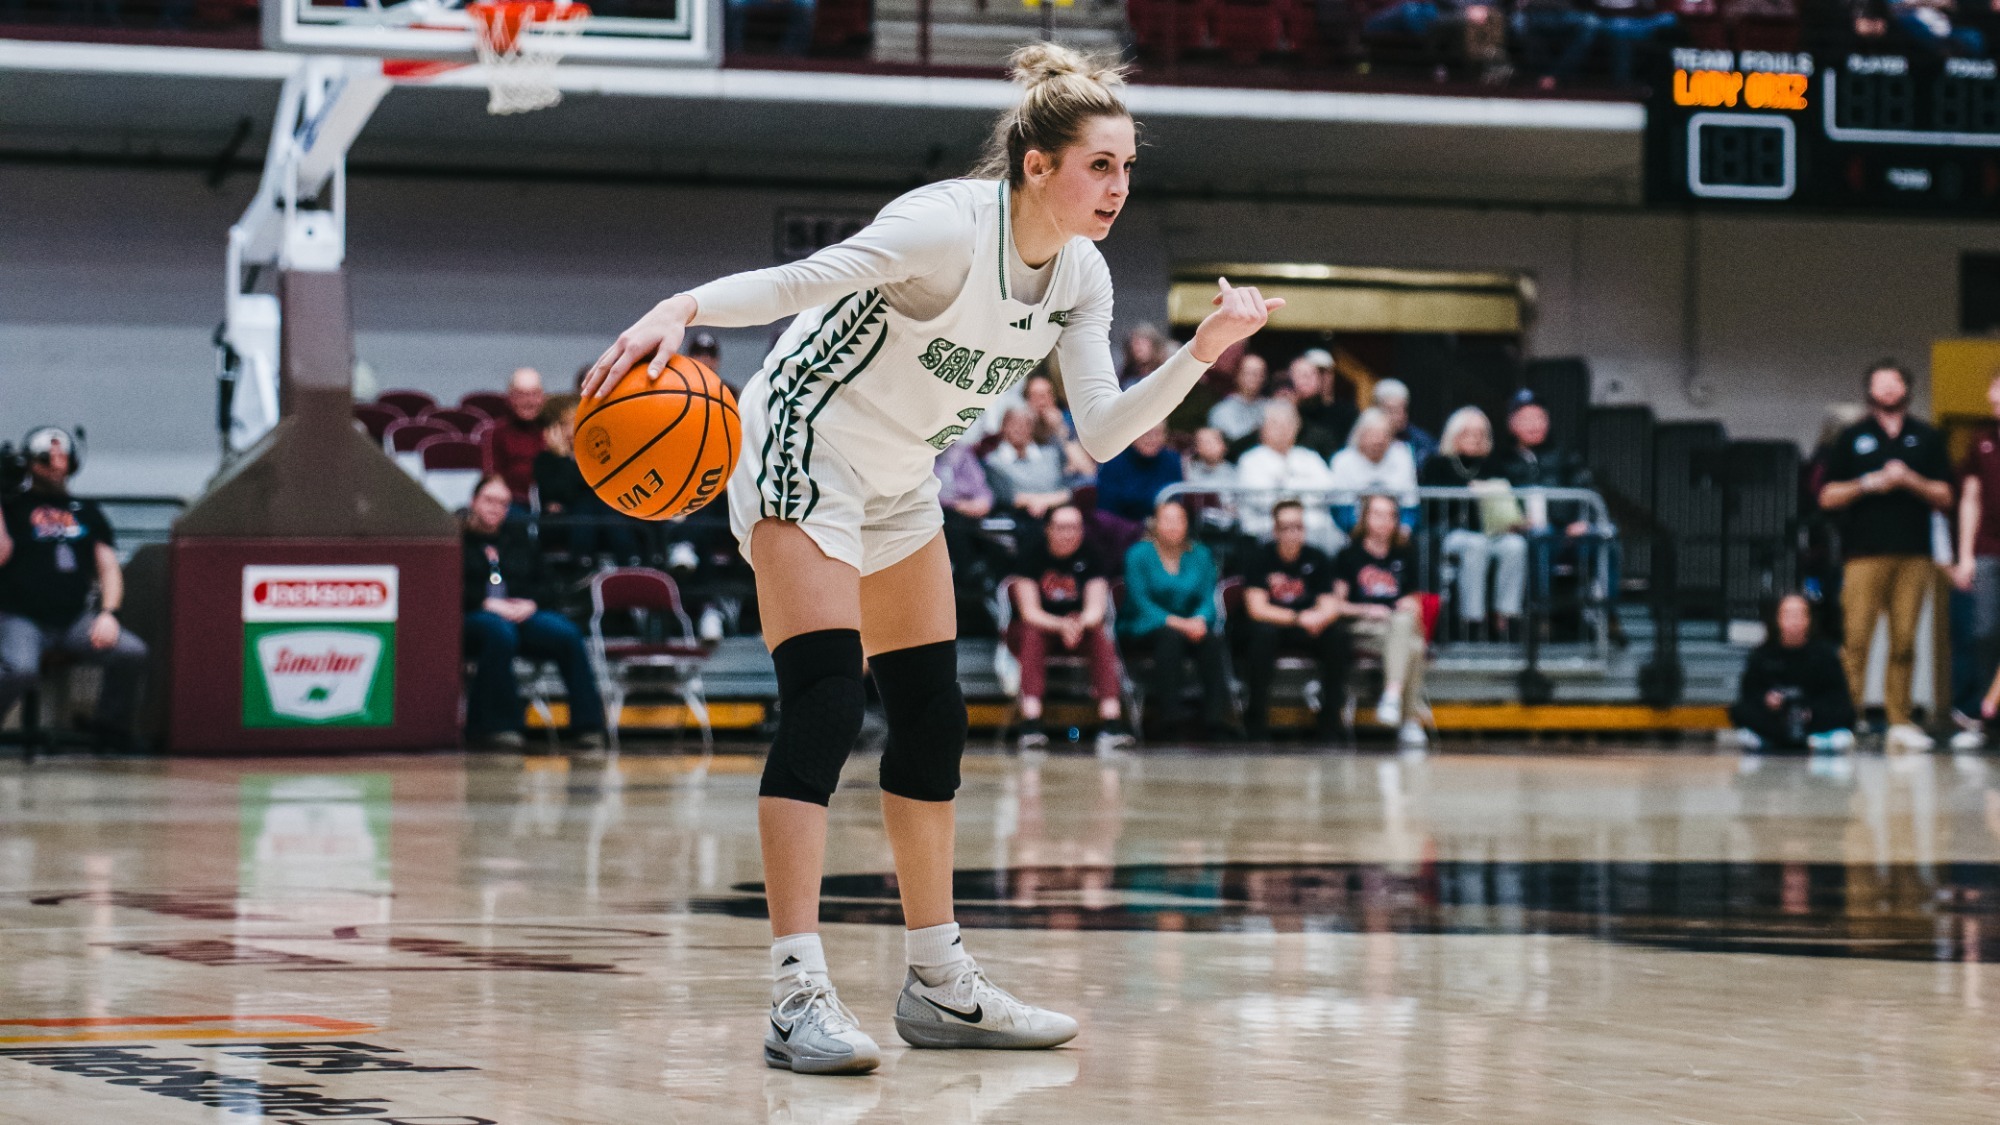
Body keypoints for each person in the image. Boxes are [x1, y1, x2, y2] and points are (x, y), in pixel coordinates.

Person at [580, 42, 1279, 1077]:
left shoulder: (1079, 274)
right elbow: (797, 282)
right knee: (824, 702)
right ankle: (793, 990)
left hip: (902, 477)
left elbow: (1098, 431)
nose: (1118, 188)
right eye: (1100, 164)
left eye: (1128, 168)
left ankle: (937, 982)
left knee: (931, 713)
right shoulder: (943, 224)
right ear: (1036, 165)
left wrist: (1202, 350)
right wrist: (681, 309)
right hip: (803, 443)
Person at [1818, 361, 1953, 752]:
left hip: (1914, 554)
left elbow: (1946, 495)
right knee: (1856, 638)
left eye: (1895, 383)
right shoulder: (1852, 437)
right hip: (1862, 554)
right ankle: (1847, 715)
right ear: (1869, 390)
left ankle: (1899, 718)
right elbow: (1827, 495)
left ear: (1907, 390)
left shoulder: (1926, 437)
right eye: (1881, 383)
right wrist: (1867, 483)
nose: (1889, 390)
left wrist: (1909, 479)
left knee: (1905, 640)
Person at [0, 429, 147, 749]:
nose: (55, 465)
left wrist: (109, 613)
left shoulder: (86, 512)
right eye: (45, 459)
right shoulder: (12, 506)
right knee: (20, 669)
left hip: (72, 619)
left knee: (130, 652)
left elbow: (108, 568)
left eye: (62, 458)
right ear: (29, 463)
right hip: (19, 617)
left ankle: (109, 727)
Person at [461, 475, 606, 750]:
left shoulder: (518, 540)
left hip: (521, 615)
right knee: (498, 632)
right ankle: (498, 726)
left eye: (503, 503)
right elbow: (447, 587)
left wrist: (531, 605)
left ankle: (587, 726)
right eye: (489, 500)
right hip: (475, 616)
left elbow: (548, 585)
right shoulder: (458, 540)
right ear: (473, 501)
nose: (496, 508)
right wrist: (484, 602)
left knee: (567, 634)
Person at [1009, 504, 1131, 752]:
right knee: (1032, 635)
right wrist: (1062, 625)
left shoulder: (1092, 554)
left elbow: (1096, 610)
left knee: (1100, 636)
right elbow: (1029, 612)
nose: (1069, 534)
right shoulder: (1030, 554)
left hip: (1080, 625)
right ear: (1048, 530)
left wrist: (1077, 624)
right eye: (1062, 527)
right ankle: (1031, 722)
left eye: (1075, 527)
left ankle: (1111, 721)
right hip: (1040, 624)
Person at [1119, 498, 1234, 739]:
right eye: (1166, 520)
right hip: (1145, 627)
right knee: (1169, 638)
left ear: (1186, 524)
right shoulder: (1138, 554)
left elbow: (1208, 596)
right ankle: (1169, 717)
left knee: (1212, 641)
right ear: (1155, 523)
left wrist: (1200, 619)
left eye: (1178, 520)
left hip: (1191, 624)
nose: (1172, 526)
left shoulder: (1200, 554)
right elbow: (1139, 601)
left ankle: (1215, 719)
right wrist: (1179, 623)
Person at [1238, 499, 1347, 741]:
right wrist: (1299, 618)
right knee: (1262, 634)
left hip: (1307, 625)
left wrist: (1319, 617)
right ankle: (1256, 719)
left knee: (1337, 636)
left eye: (1298, 527)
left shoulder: (1317, 557)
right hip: (1275, 624)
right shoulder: (1259, 558)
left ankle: (1330, 721)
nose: (1293, 533)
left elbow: (1330, 603)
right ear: (1275, 531)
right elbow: (1257, 609)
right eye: (1286, 527)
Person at [1331, 493, 1430, 749]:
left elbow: (1416, 603)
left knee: (1406, 630)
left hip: (1396, 627)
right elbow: (1337, 605)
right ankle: (1409, 720)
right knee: (1412, 645)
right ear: (1365, 518)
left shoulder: (1405, 554)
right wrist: (1368, 609)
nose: (1385, 521)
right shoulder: (1348, 555)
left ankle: (1392, 696)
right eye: (1378, 514)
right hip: (1363, 627)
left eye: (1391, 515)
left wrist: (1410, 604)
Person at [1420, 406, 1527, 633]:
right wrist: (1468, 491)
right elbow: (1430, 507)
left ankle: (1506, 615)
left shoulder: (1493, 465)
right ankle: (1473, 619)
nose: (1476, 439)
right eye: (1468, 433)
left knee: (1515, 546)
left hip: (1491, 532)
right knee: (1475, 546)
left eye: (1481, 434)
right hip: (1450, 532)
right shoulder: (1437, 464)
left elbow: (1506, 502)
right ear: (1454, 435)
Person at [1731, 593, 1857, 752]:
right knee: (1740, 713)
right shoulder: (1762, 655)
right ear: (1777, 619)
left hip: (1812, 720)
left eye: (1799, 614)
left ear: (1808, 619)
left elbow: (1838, 698)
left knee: (1845, 718)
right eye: (1788, 614)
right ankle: (1774, 739)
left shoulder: (1825, 655)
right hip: (1775, 720)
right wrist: (1767, 700)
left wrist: (1811, 711)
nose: (1794, 621)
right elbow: (1748, 695)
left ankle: (1813, 740)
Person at [533, 394, 641, 567]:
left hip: (600, 517)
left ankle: (628, 562)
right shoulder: (545, 460)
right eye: (569, 423)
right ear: (557, 428)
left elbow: (599, 487)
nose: (576, 427)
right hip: (563, 523)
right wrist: (563, 458)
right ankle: (588, 563)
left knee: (597, 505)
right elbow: (565, 493)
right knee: (585, 504)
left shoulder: (596, 454)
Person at [1954, 373, 2000, 751]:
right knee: (1984, 632)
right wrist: (1966, 555)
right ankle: (1988, 716)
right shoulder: (1981, 441)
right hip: (1988, 549)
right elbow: (1971, 498)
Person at [1236, 400, 1337, 544]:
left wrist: (1286, 486)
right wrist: (1304, 488)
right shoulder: (1250, 460)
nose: (1284, 429)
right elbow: (1264, 500)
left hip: (1316, 528)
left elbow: (1328, 489)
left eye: (1289, 423)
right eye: (1276, 424)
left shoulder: (1309, 456)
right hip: (1266, 531)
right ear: (1263, 428)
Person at [985, 406, 1073, 520]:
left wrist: (1042, 502)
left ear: (1032, 428)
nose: (1019, 428)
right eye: (1013, 423)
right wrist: (1038, 502)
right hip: (1015, 517)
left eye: (1025, 424)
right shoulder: (992, 461)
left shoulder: (1051, 455)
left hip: (1056, 513)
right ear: (1003, 427)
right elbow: (1007, 497)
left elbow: (1067, 492)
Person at [1326, 407, 1419, 515]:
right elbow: (1339, 508)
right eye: (1373, 435)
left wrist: (1404, 528)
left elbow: (1410, 505)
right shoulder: (1342, 460)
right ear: (1360, 435)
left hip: (1395, 527)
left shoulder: (1402, 455)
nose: (1379, 441)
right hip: (1352, 527)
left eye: (1385, 435)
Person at [484, 367, 547, 509]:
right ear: (510, 398)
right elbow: (493, 477)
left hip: (551, 503)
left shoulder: (553, 429)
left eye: (534, 394)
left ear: (543, 397)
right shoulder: (497, 432)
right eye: (521, 395)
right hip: (511, 504)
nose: (529, 401)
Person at [1097, 422, 1184, 522]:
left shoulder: (1173, 461)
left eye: (1158, 433)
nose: (1152, 438)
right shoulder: (1113, 462)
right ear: (1133, 434)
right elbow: (1105, 512)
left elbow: (1176, 505)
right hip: (1121, 530)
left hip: (1164, 530)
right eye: (1146, 433)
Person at [1286, 351, 1354, 460]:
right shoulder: (1282, 412)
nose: (1307, 379)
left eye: (1312, 374)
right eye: (1301, 375)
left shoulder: (1346, 413)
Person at [1206, 353, 1270, 444]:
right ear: (1237, 375)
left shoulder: (1272, 408)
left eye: (1258, 373)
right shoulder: (1220, 411)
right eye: (1248, 373)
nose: (1253, 378)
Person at [1371, 378, 1436, 467]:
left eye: (1403, 409)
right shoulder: (1366, 441)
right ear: (1376, 410)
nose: (1400, 416)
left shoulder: (1422, 442)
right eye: (1393, 410)